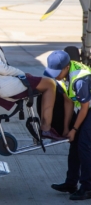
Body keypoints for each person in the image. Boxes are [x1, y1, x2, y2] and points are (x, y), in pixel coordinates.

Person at [0, 9, 68, 141]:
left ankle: (45, 127)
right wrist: (22, 74)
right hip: (3, 85)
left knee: (45, 83)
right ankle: (46, 129)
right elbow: (0, 68)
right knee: (50, 84)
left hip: (2, 82)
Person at [44, 50, 91, 200]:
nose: (54, 75)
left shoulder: (80, 79)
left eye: (57, 72)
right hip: (85, 108)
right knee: (74, 145)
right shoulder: (63, 76)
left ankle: (88, 187)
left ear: (66, 67)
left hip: (88, 108)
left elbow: (84, 107)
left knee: (84, 144)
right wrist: (67, 128)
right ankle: (71, 183)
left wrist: (75, 129)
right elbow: (68, 101)